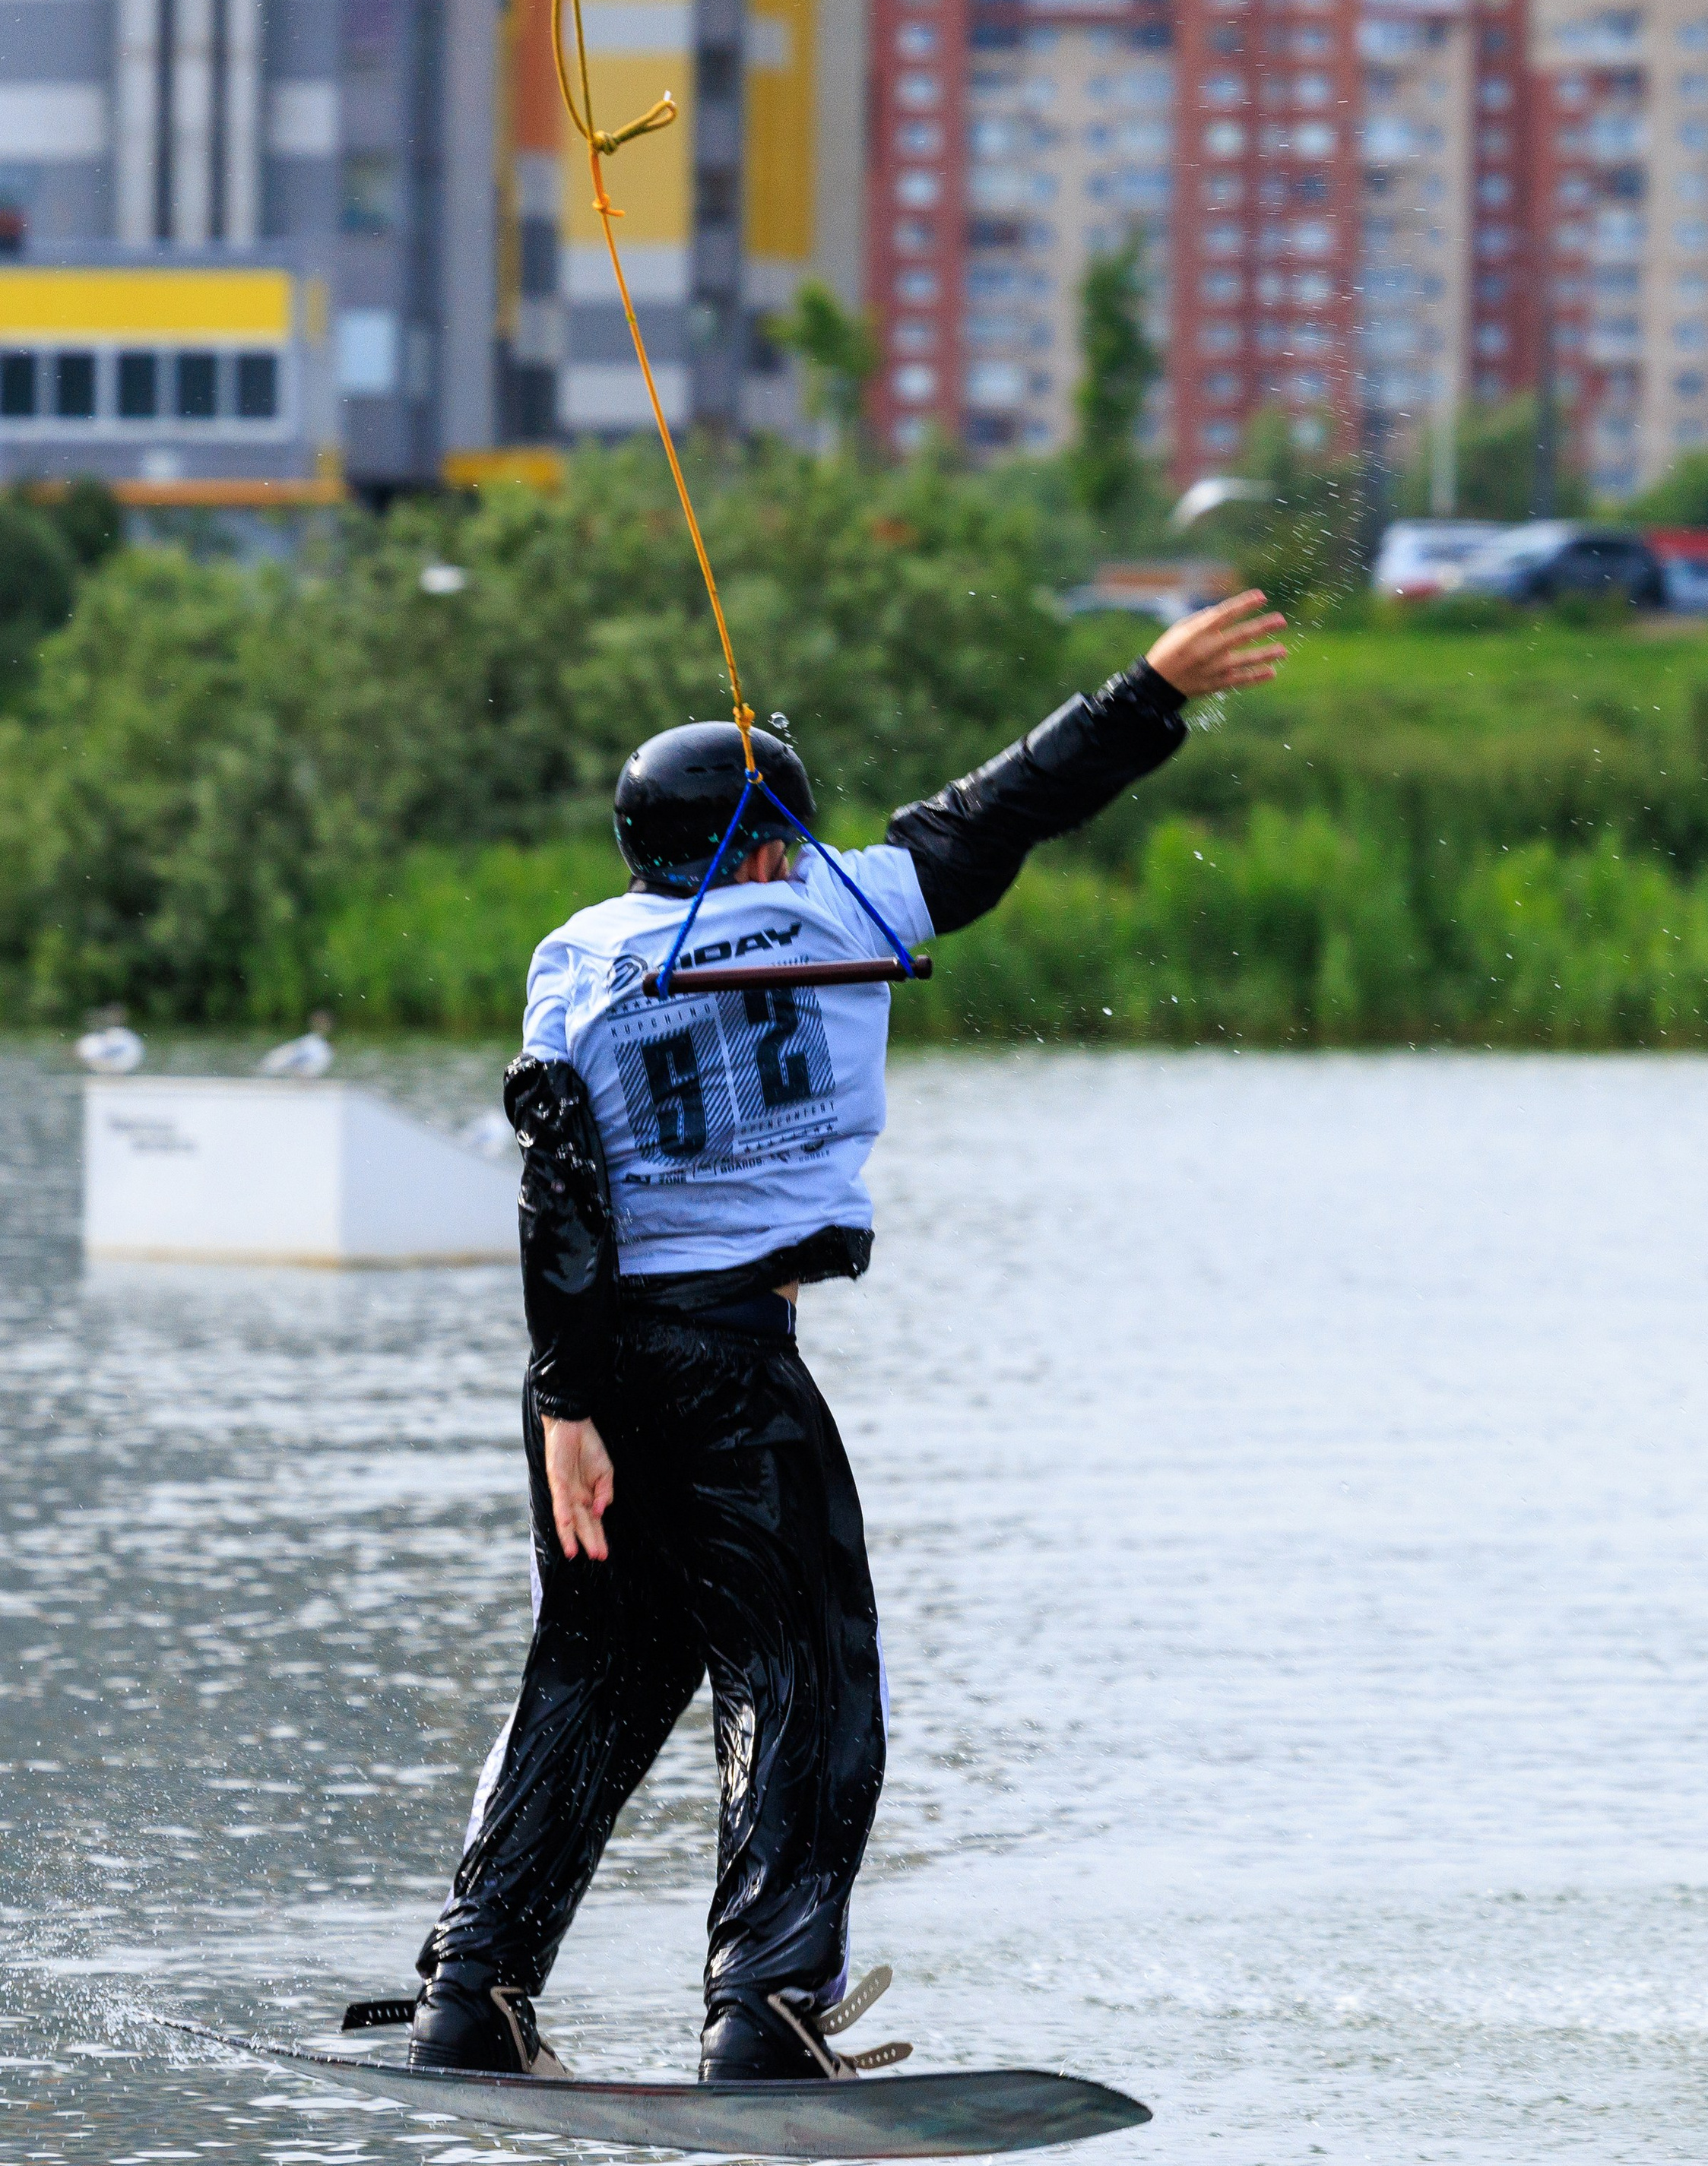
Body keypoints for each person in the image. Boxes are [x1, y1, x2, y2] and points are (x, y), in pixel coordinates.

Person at [397, 590, 1285, 2082]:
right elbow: (1006, 809)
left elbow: (560, 1187)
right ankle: (766, 2009)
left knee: (595, 1677)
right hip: (730, 1371)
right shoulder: (848, 906)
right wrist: (1149, 689)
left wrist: (564, 1407)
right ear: (761, 844)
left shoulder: (576, 958)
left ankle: (471, 1992)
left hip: (594, 1370)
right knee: (800, 1678)